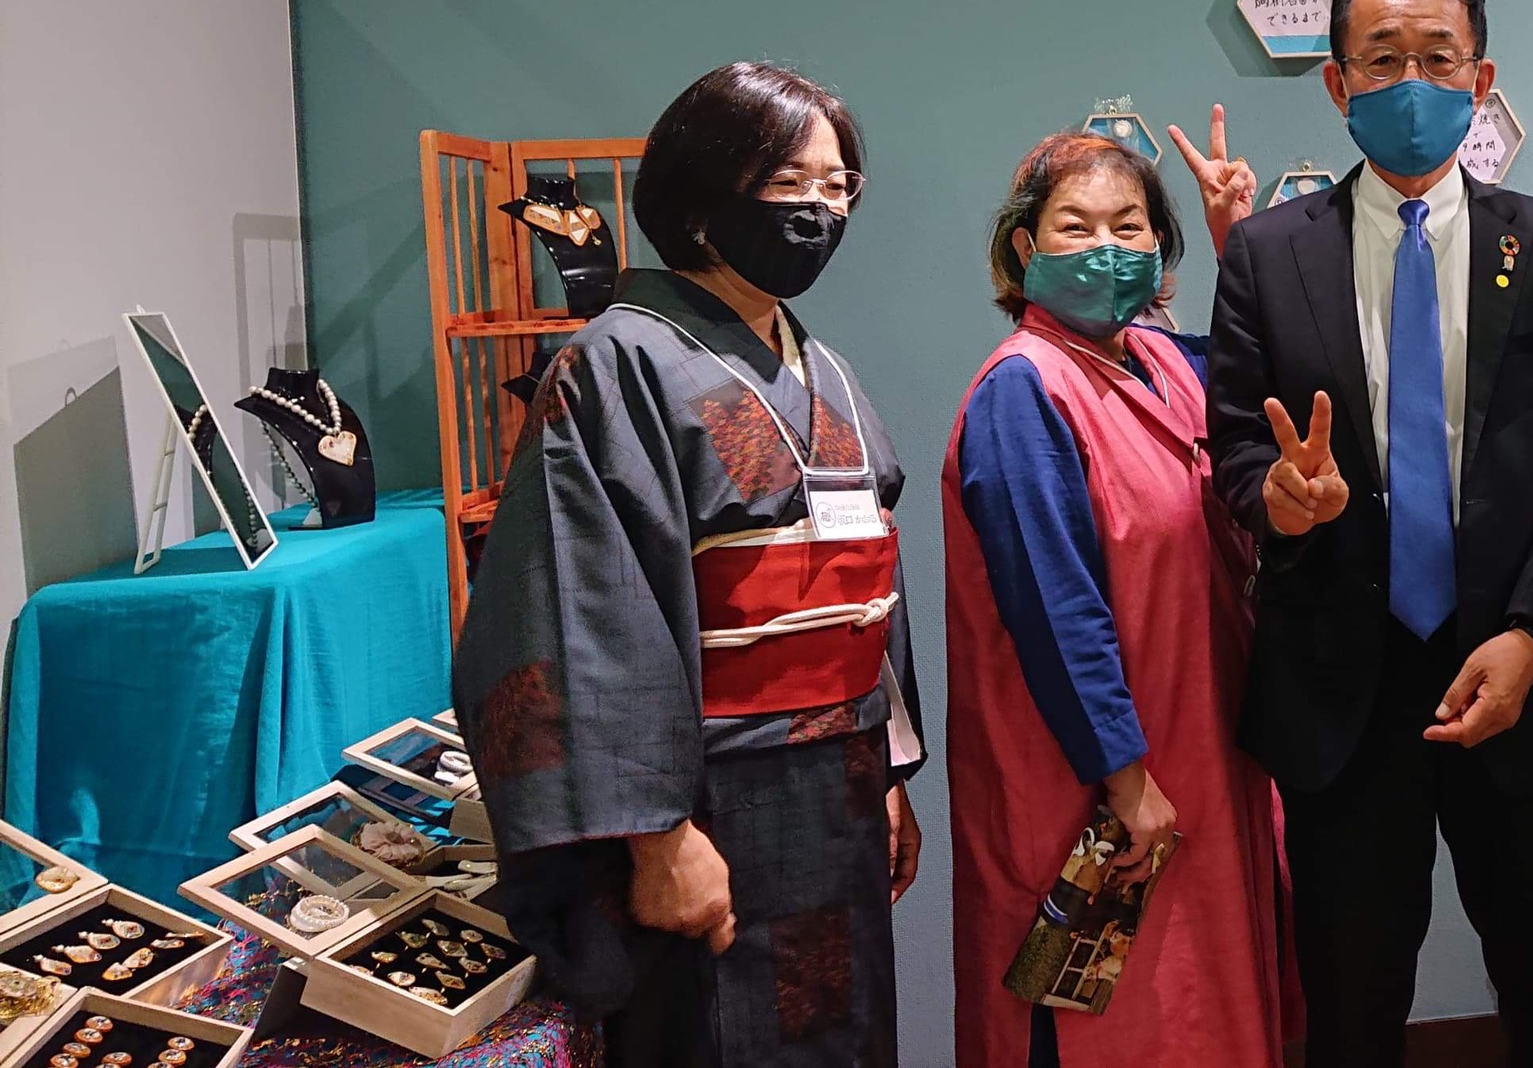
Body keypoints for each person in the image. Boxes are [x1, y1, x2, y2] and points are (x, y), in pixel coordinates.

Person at [1206, 0, 1533, 1068]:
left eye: (1438, 60)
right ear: (1337, 84)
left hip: (1520, 676)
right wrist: (1279, 502)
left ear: (1480, 80)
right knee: (1350, 1012)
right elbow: (1237, 446)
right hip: (1341, 691)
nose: (1411, 83)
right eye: (1382, 59)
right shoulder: (1266, 255)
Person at [453, 62, 923, 1068]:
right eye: (789, 181)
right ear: (704, 194)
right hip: (708, 801)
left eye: (837, 185)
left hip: (838, 788)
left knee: (844, 1039)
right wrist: (653, 834)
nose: (819, 209)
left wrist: (887, 771)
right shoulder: (613, 362)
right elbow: (577, 614)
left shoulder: (827, 369)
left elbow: (870, 593)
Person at [942, 122, 1288, 1068]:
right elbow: (1053, 603)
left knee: (1206, 1011)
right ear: (1025, 245)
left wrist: (1236, 237)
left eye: (1129, 226)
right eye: (1076, 225)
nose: (1106, 247)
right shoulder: (1025, 389)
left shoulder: (1165, 363)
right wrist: (1124, 774)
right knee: (1106, 1020)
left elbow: (1273, 369)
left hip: (1202, 747)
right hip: (1095, 778)